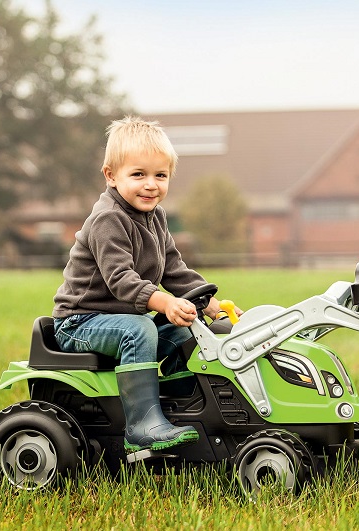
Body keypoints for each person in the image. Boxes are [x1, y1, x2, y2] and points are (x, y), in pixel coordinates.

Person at [52, 116, 231, 453]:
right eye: (139, 175)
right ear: (111, 176)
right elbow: (121, 280)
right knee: (140, 331)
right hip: (80, 321)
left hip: (122, 319)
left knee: (184, 330)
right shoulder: (108, 219)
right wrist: (164, 303)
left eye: (160, 176)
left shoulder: (155, 217)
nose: (151, 185)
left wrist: (211, 303)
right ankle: (142, 425)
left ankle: (184, 409)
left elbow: (174, 269)